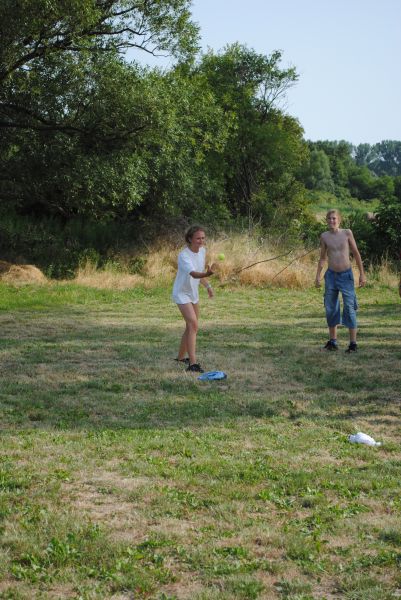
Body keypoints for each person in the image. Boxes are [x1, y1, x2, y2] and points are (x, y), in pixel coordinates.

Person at [315, 209, 366, 352]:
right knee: (331, 308)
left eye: (334, 218)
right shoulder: (324, 236)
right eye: (329, 219)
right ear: (326, 220)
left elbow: (356, 253)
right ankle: (333, 342)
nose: (332, 221)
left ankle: (353, 344)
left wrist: (362, 274)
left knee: (349, 308)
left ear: (339, 220)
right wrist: (318, 276)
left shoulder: (347, 233)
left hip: (346, 276)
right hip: (331, 276)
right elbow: (323, 258)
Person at [172, 225, 216, 373]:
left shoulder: (202, 251)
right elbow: (194, 274)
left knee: (190, 326)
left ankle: (179, 358)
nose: (201, 241)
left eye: (203, 238)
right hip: (181, 293)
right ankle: (193, 364)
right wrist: (207, 275)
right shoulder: (184, 255)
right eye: (198, 238)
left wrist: (208, 285)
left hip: (193, 293)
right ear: (190, 239)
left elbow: (200, 272)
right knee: (193, 325)